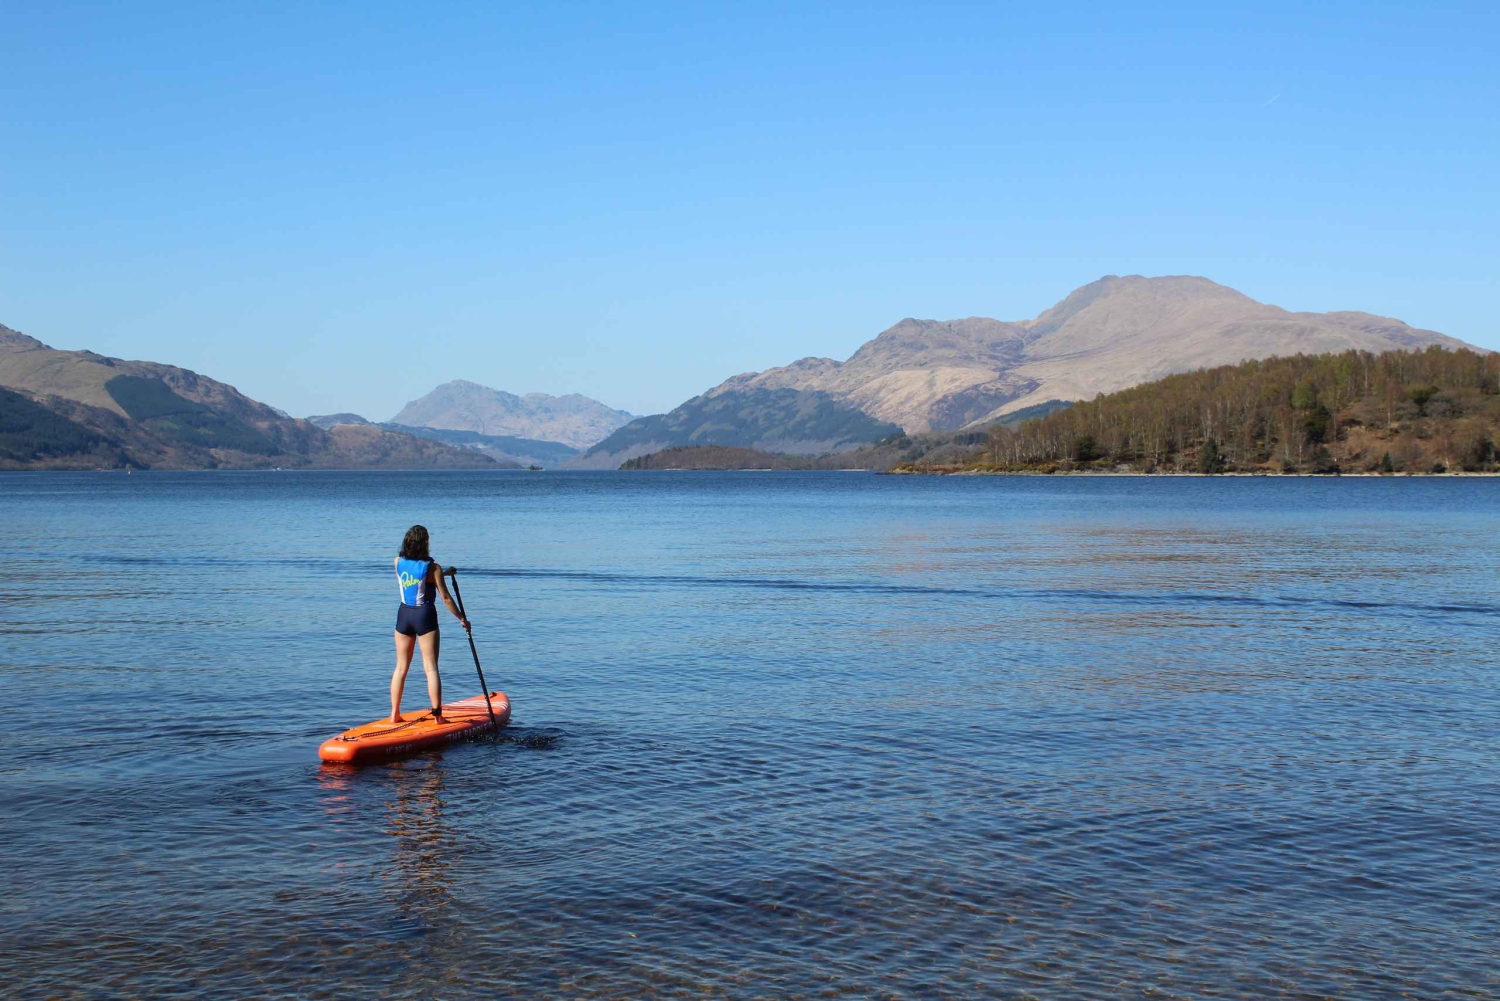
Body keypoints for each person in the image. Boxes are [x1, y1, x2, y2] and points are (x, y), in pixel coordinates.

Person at [391, 524, 469, 723]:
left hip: (404, 615)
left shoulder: (397, 562)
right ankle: (438, 717)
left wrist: (446, 572)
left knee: (400, 668)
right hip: (424, 616)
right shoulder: (432, 567)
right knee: (431, 668)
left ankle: (394, 714)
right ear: (424, 543)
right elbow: (445, 598)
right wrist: (462, 619)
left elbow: (417, 578)